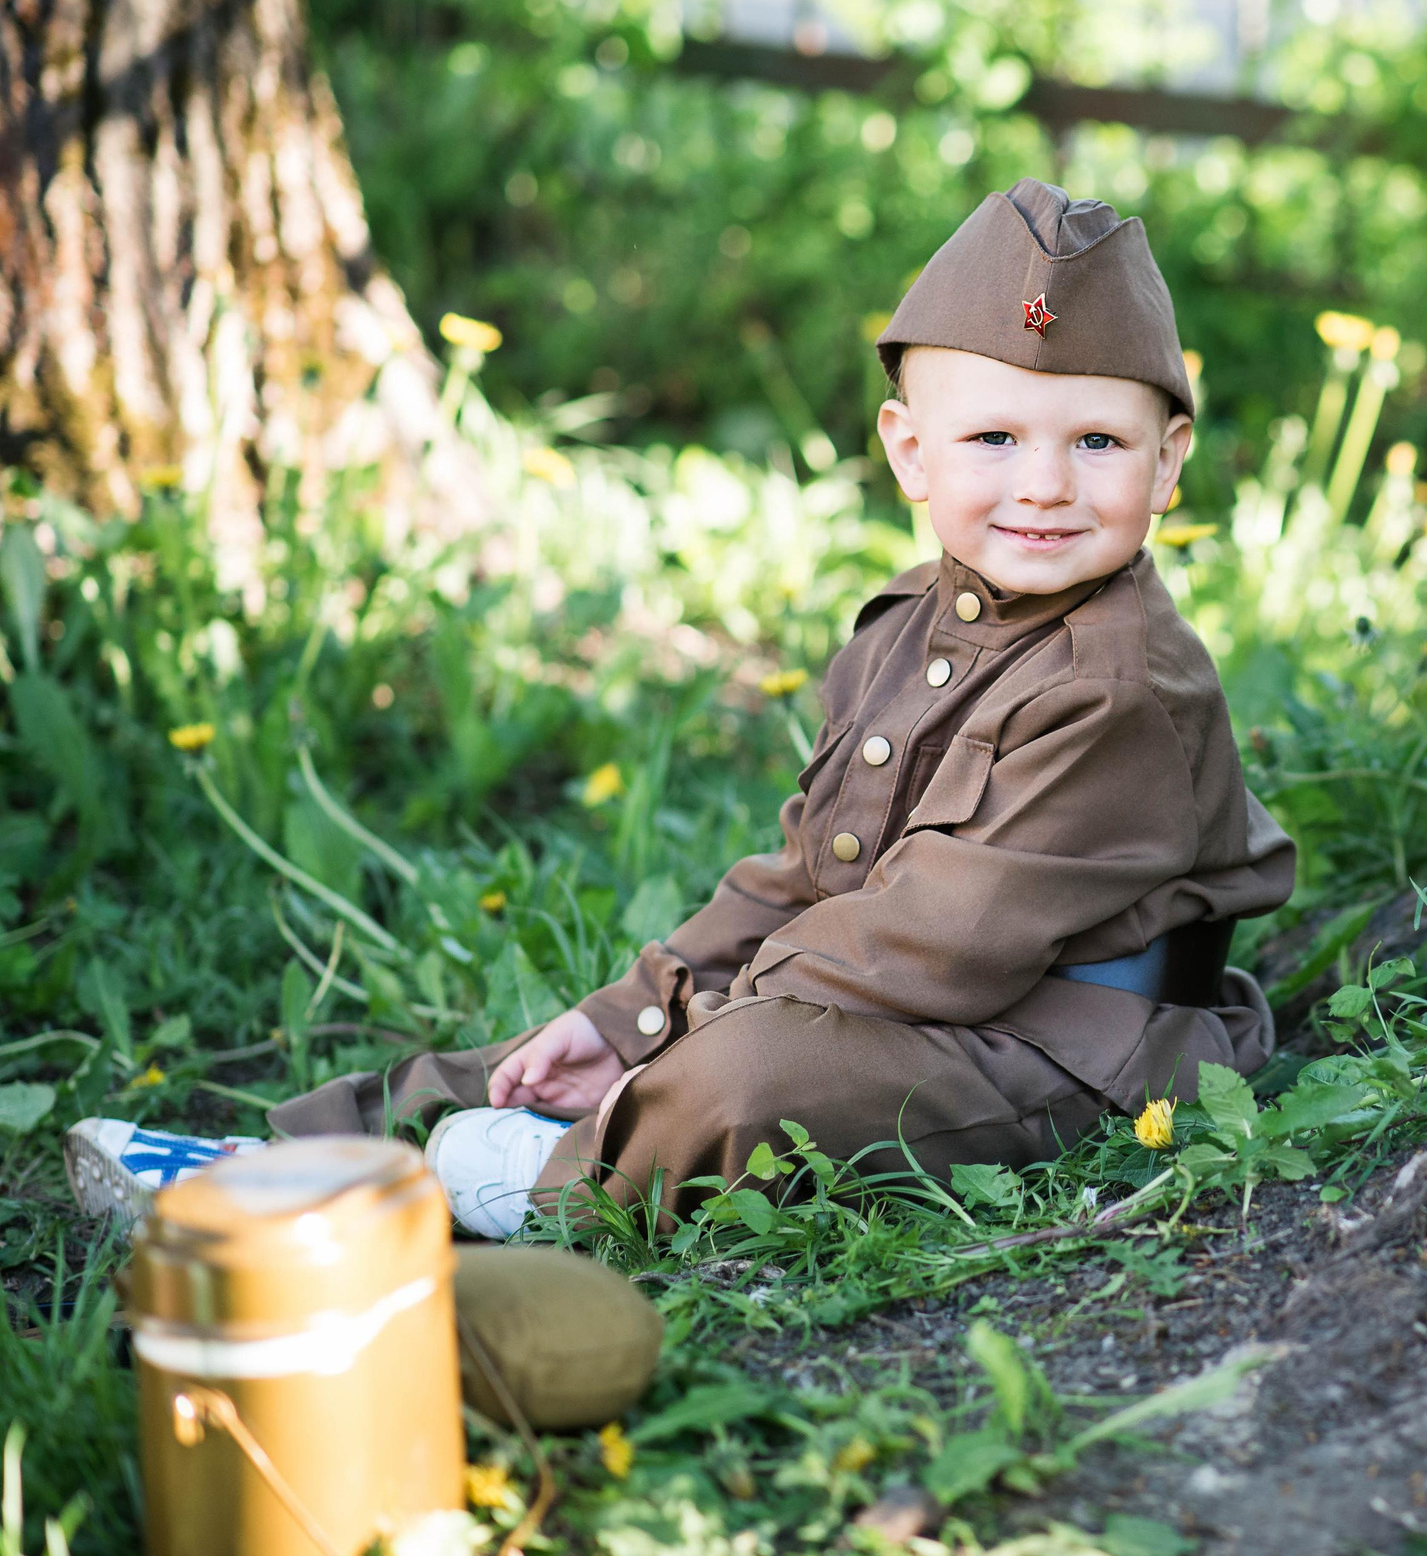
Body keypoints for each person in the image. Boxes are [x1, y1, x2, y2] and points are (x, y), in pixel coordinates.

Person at [69, 180, 1295, 1237]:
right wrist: (630, 1010)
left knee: (741, 1079)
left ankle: (499, 1194)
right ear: (910, 453)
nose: (1042, 485)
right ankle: (300, 1158)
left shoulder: (1116, 684)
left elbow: (934, 939)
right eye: (992, 437)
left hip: (1060, 1051)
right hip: (902, 995)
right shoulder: (911, 623)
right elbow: (812, 873)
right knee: (554, 1053)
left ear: (1168, 461)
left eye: (1095, 441)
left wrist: (687, 1032)